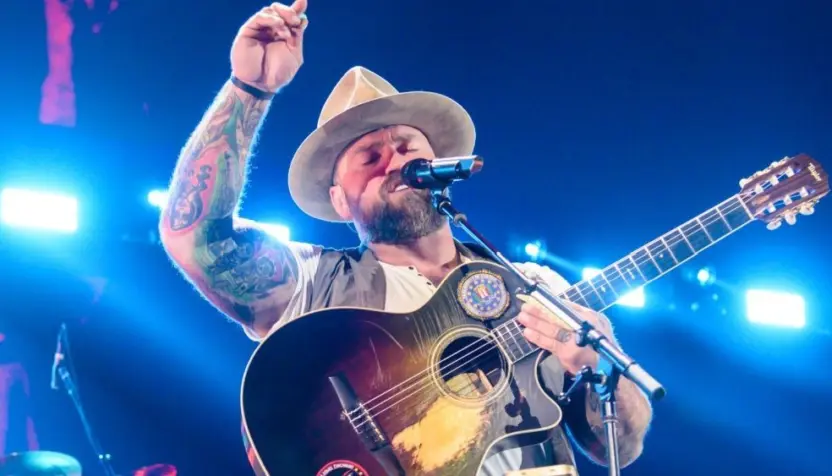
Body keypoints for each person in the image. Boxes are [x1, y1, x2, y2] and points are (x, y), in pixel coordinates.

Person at [158, 1, 653, 474]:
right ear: (338, 199)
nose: (394, 162)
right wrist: (250, 89)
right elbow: (197, 241)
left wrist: (596, 361)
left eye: (406, 148)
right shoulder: (315, 283)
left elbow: (623, 448)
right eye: (370, 158)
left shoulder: (533, 286)